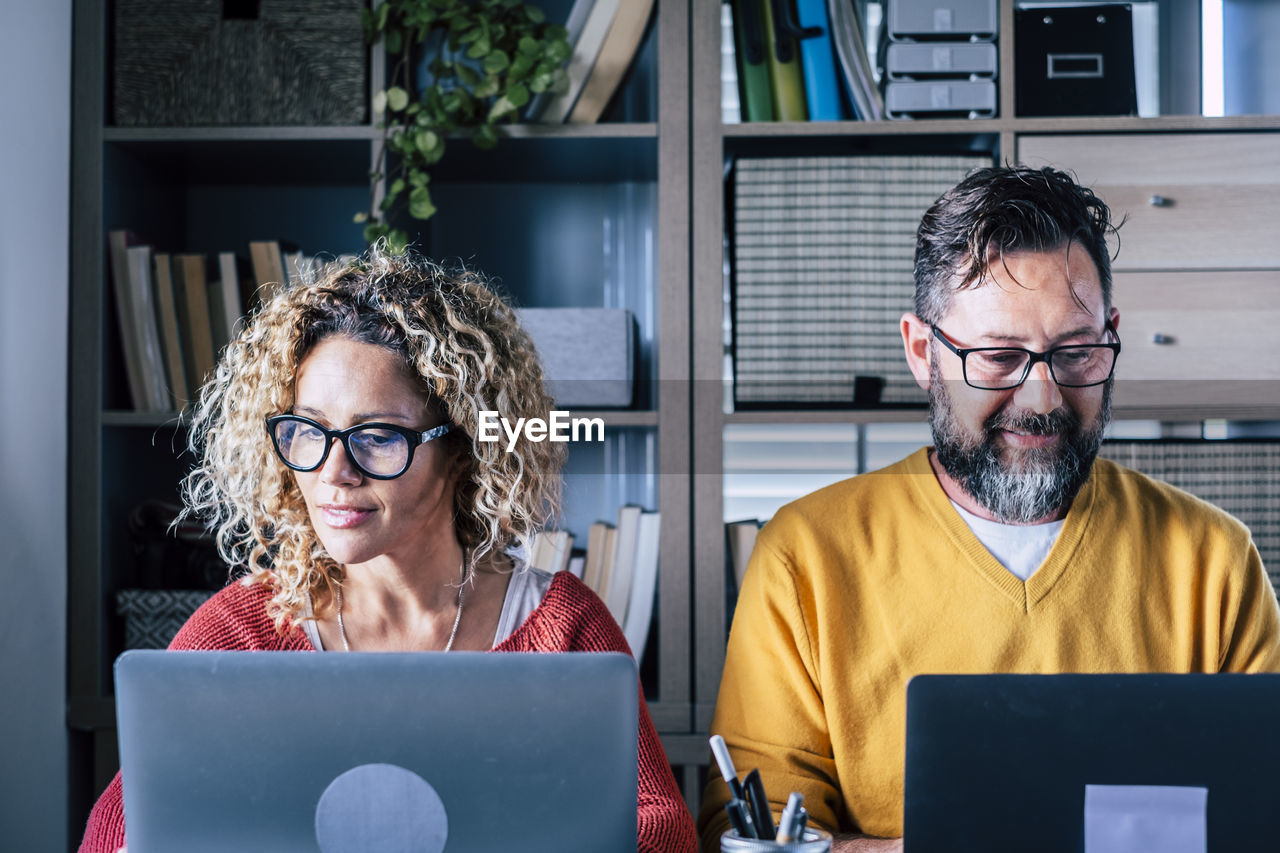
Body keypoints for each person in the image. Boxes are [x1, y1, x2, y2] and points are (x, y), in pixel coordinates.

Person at [698, 165, 1280, 852]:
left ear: (1111, 335)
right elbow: (750, 836)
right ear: (922, 352)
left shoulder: (1213, 560)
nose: (1042, 398)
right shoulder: (807, 554)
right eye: (999, 358)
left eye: (1077, 352)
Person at [79, 245, 697, 853]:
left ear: (462, 452)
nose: (333, 472)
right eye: (308, 430)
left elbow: (661, 826)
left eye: (376, 436)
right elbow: (114, 834)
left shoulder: (560, 626)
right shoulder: (242, 631)